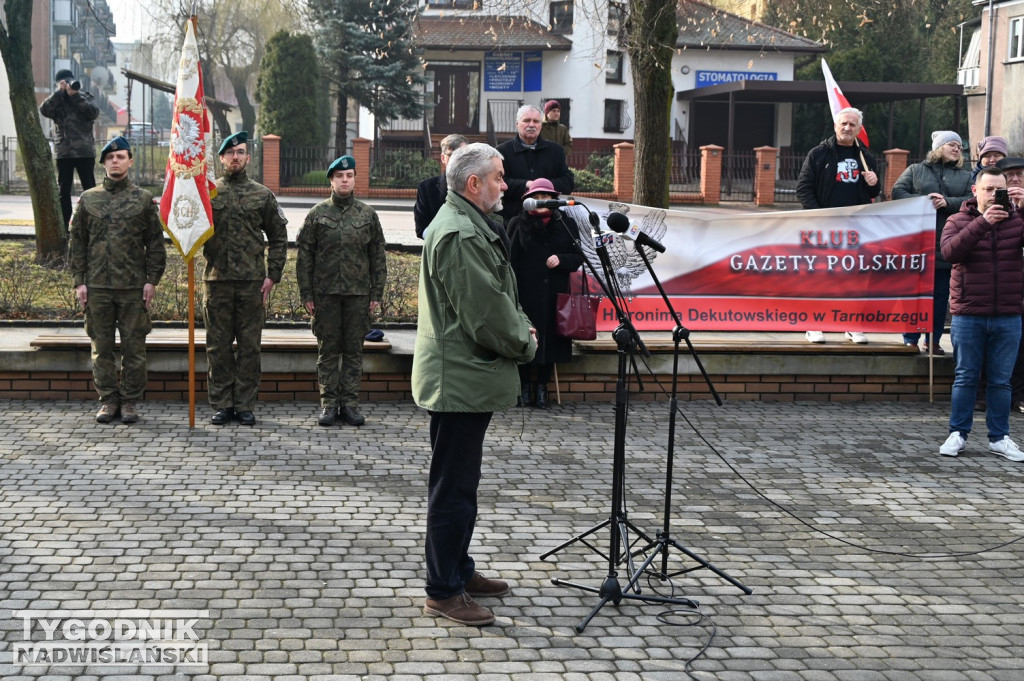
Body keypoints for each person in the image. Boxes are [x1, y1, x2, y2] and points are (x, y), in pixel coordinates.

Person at [412, 142, 537, 626]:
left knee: (461, 485)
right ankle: (444, 591)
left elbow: (498, 295)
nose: (506, 185)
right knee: (453, 490)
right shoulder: (461, 233)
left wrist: (518, 323)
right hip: (458, 380)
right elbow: (485, 314)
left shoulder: (467, 223)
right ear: (473, 184)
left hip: (464, 377)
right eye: (499, 177)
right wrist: (525, 342)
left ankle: (459, 571)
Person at [69, 136, 167, 424]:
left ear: (130, 161)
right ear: (103, 163)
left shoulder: (143, 199)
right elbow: (77, 243)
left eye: (121, 156)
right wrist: (79, 281)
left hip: (133, 287)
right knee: (101, 349)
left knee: (134, 349)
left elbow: (155, 244)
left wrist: (152, 280)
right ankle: (108, 400)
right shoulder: (88, 199)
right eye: (110, 158)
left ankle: (130, 402)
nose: (115, 161)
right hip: (97, 287)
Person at [938, 167, 1024, 462]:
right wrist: (984, 223)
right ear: (975, 191)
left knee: (1001, 381)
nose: (994, 195)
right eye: (988, 189)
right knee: (965, 377)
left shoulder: (1017, 220)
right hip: (969, 313)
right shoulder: (957, 219)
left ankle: (999, 438)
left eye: (999, 189)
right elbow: (950, 253)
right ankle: (957, 433)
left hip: (1008, 313)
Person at [203, 131, 288, 426]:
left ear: (248, 157)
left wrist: (273, 274)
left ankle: (245, 404)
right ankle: (223, 404)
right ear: (222, 158)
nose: (235, 157)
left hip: (252, 283)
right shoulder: (208, 192)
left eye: (240, 152)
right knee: (218, 346)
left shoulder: (262, 195)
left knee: (250, 346)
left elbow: (279, 236)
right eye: (230, 153)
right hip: (217, 282)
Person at [296, 155, 387, 428]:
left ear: (354, 178)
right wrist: (307, 294)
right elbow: (305, 258)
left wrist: (376, 294)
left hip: (358, 295)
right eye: (339, 176)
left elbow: (377, 257)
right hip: (325, 296)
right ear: (331, 181)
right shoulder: (317, 214)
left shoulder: (367, 215)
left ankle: (349, 405)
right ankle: (328, 405)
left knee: (353, 352)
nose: (345, 180)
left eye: (349, 175)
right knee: (328, 352)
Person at [795, 106, 880, 345]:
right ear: (835, 125)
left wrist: (875, 183)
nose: (847, 128)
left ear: (859, 129)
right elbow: (803, 189)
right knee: (819, 276)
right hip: (822, 229)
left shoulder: (866, 157)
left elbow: (873, 192)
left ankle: (851, 324)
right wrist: (821, 216)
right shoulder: (818, 154)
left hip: (855, 230)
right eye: (843, 123)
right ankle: (814, 325)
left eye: (852, 124)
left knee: (853, 278)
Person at [892, 130, 973, 355]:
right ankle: (910, 339)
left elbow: (972, 200)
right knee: (913, 296)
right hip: (917, 246)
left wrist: (947, 202)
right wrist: (924, 201)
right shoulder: (916, 170)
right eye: (952, 144)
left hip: (946, 246)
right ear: (939, 147)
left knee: (939, 299)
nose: (957, 148)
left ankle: (933, 340)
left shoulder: (966, 176)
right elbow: (897, 192)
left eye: (959, 146)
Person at [507, 177, 582, 408]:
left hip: (555, 294)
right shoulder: (517, 224)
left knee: (551, 343)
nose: (541, 201)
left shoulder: (567, 224)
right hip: (526, 295)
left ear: (553, 199)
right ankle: (524, 388)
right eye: (536, 197)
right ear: (528, 200)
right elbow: (509, 262)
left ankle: (542, 388)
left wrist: (562, 259)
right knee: (528, 340)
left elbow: (578, 257)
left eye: (545, 197)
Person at [40, 68, 100, 228]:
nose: (68, 85)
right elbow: (44, 110)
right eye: (64, 83)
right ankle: (64, 226)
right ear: (59, 84)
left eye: (69, 81)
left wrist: (76, 97)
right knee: (63, 192)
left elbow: (94, 113)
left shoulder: (85, 97)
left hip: (84, 152)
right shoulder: (56, 100)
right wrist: (58, 93)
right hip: (64, 153)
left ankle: (92, 225)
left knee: (89, 190)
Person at [496, 104, 575, 222]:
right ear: (517, 124)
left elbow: (567, 182)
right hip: (513, 222)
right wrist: (527, 184)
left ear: (541, 125)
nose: (531, 125)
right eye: (527, 120)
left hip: (550, 222)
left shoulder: (556, 151)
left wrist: (542, 186)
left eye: (536, 121)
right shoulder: (501, 152)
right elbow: (497, 184)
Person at [414, 134, 468, 239]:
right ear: (443, 158)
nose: (457, 159)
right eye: (452, 155)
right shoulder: (426, 188)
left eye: (462, 155)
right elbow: (421, 229)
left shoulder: (478, 186)